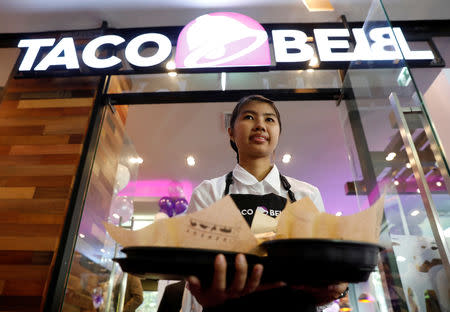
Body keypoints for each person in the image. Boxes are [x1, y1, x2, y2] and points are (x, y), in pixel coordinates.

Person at [181, 95, 348, 312]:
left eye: (270, 120)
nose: (260, 125)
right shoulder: (208, 192)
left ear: (278, 133)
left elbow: (322, 271)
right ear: (231, 132)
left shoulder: (307, 194)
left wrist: (334, 288)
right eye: (249, 117)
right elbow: (197, 274)